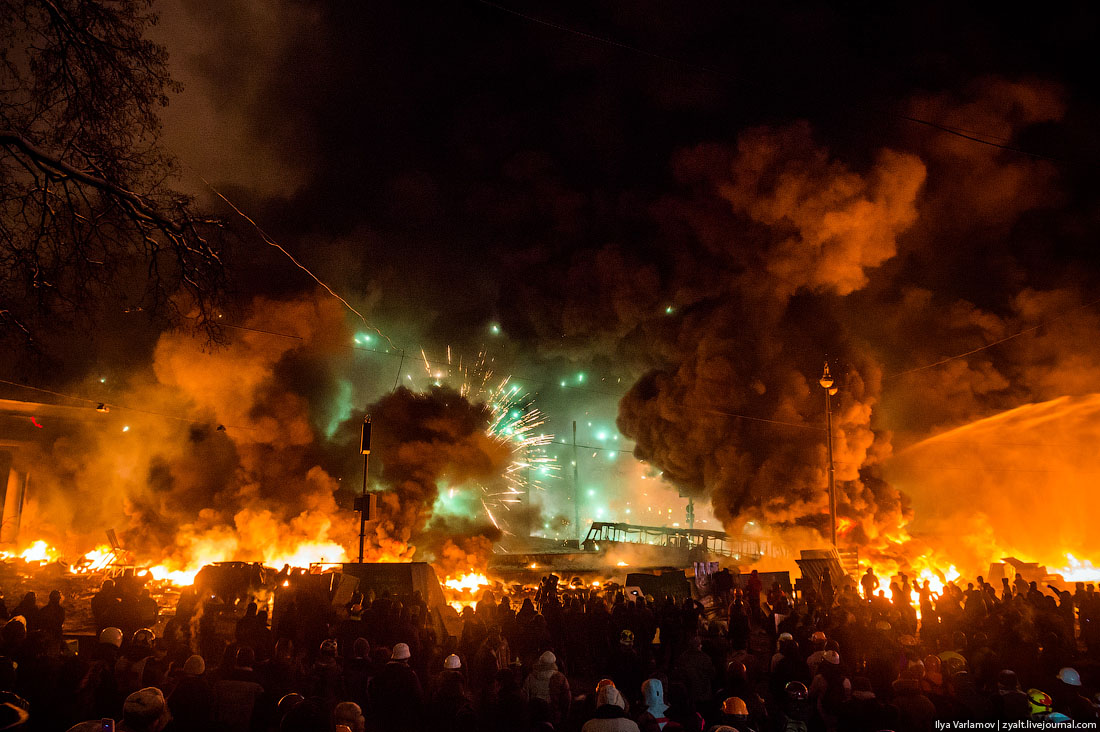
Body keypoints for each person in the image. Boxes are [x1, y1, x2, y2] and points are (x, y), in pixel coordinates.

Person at [368, 642, 424, 732]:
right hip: (405, 722)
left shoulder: (381, 674)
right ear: (407, 658)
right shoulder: (410, 675)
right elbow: (418, 698)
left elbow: (372, 695)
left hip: (384, 722)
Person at [522, 650, 571, 727]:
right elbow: (566, 700)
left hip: (534, 717)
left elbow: (525, 698)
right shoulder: (560, 678)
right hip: (553, 717)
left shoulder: (530, 678)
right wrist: (564, 717)